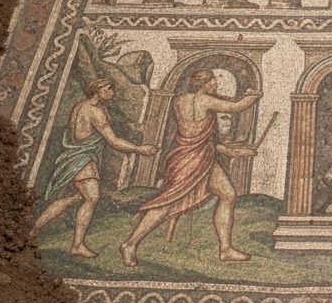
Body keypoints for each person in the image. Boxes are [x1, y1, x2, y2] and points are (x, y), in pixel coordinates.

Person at [120, 70, 261, 266]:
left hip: (193, 155)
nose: (216, 84)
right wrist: (253, 96)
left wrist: (234, 151)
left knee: (228, 194)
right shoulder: (205, 101)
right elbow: (237, 106)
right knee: (167, 203)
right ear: (207, 83)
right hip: (191, 158)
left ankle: (225, 249)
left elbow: (203, 136)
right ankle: (130, 244)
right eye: (213, 81)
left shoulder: (179, 101)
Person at [33, 78, 158, 258]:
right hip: (82, 157)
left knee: (73, 197)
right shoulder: (96, 112)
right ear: (97, 91)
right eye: (107, 89)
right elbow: (113, 141)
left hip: (73, 155)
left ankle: (34, 229)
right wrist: (139, 149)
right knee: (92, 197)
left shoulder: (80, 106)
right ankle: (77, 245)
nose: (111, 93)